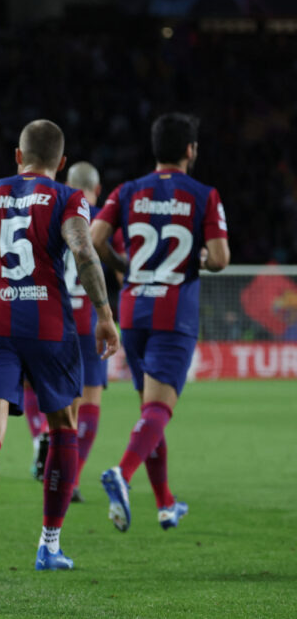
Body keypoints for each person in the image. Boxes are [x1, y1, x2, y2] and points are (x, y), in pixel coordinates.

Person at [0, 119, 119, 579]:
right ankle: (49, 545)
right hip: (48, 325)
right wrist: (103, 314)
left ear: (17, 157)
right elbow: (83, 252)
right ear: (61, 164)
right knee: (63, 427)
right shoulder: (66, 197)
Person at [91, 113, 230, 532]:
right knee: (157, 411)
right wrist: (202, 258)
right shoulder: (203, 195)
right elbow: (221, 258)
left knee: (149, 413)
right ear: (190, 150)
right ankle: (122, 473)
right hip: (174, 315)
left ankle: (166, 503)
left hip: (134, 313)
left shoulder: (128, 191)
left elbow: (96, 239)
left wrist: (124, 268)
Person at [62, 161, 115, 502]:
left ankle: (44, 445)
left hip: (57, 317)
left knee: (58, 402)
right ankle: (73, 478)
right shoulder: (105, 220)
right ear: (97, 190)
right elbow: (119, 264)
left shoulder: (57, 211)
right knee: (91, 400)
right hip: (93, 318)